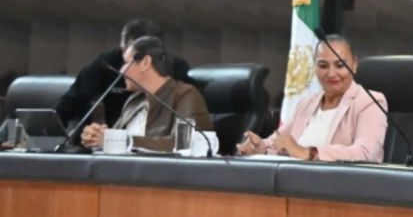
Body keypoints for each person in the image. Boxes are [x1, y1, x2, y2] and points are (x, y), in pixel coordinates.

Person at [236, 35, 386, 162]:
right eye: (323, 65)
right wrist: (261, 147)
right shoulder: (307, 103)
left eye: (340, 65)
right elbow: (281, 139)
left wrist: (309, 153)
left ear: (354, 65)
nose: (331, 73)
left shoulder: (370, 102)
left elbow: (366, 153)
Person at [55, 19, 192, 132]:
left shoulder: (181, 81)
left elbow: (185, 135)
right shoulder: (106, 64)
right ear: (123, 49)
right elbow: (72, 101)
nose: (122, 71)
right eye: (129, 58)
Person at [80, 36, 211, 153]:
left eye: (126, 62)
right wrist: (97, 137)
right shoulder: (134, 100)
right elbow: (112, 141)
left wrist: (125, 141)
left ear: (145, 63)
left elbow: (184, 144)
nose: (121, 70)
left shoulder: (186, 95)